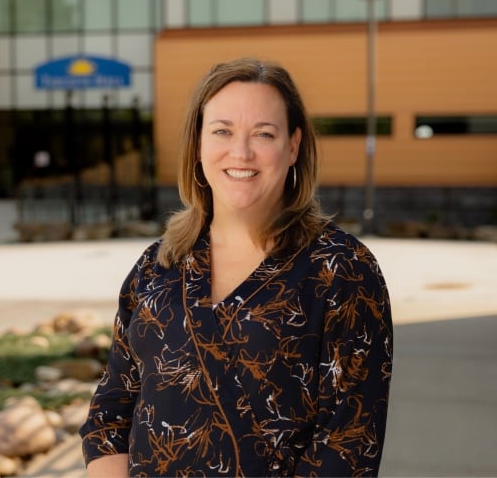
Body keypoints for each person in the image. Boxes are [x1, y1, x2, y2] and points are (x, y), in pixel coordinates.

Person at [79, 57, 393, 477]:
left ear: (294, 145)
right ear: (198, 144)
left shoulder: (342, 271)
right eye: (222, 131)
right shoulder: (158, 265)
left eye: (263, 133)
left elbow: (348, 446)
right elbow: (110, 417)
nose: (240, 152)